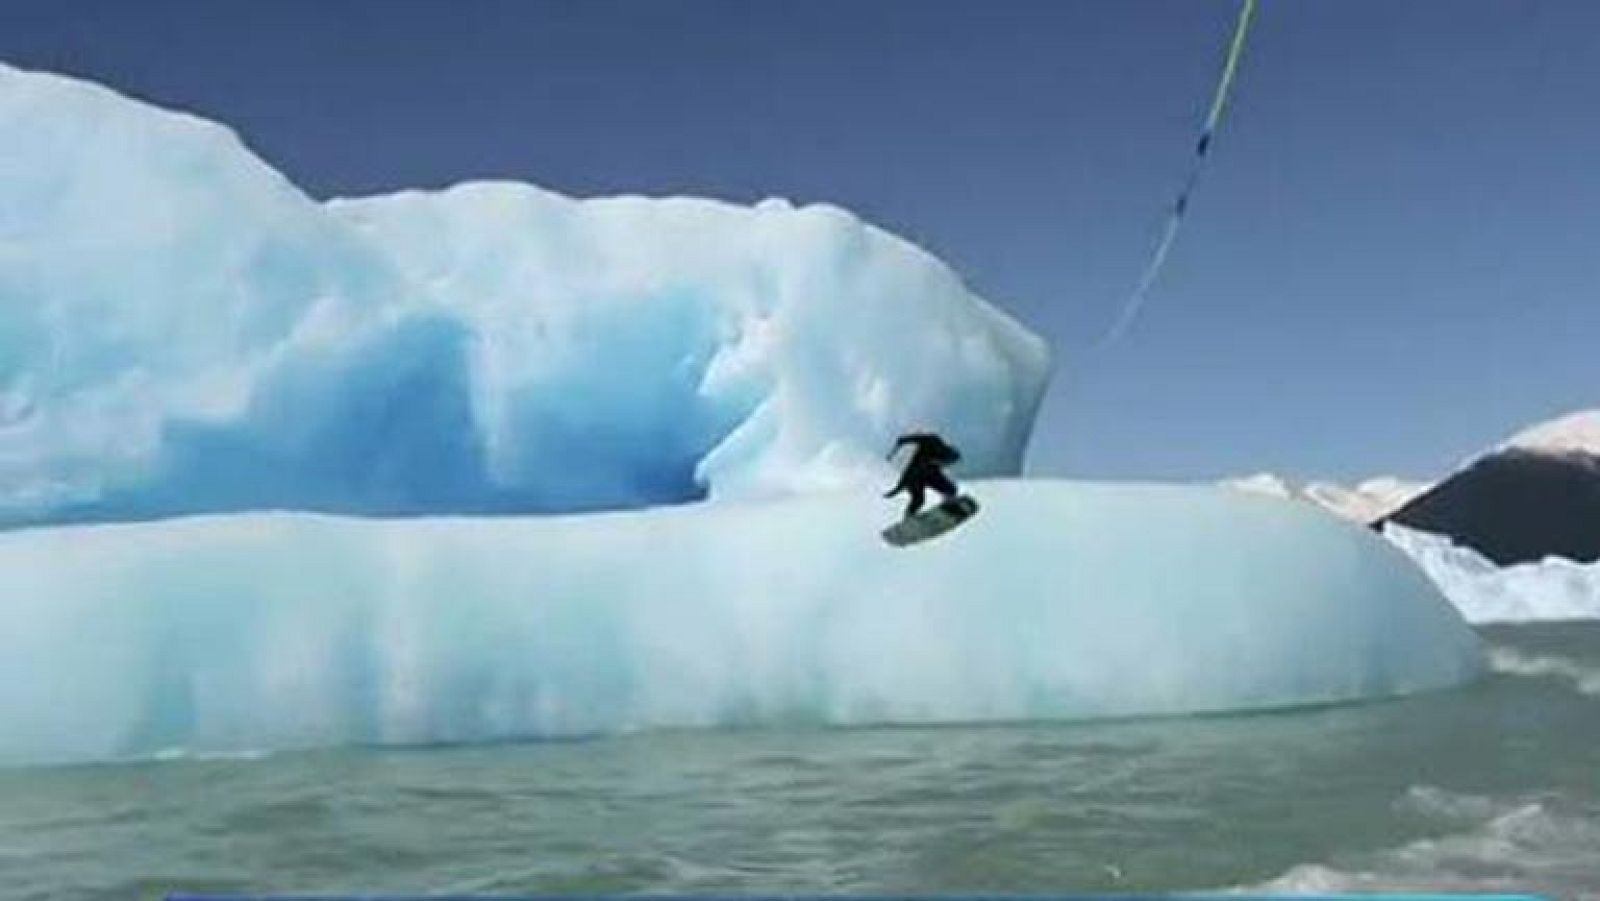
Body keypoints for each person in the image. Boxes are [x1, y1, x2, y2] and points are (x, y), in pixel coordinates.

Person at [884, 431, 962, 519]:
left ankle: (950, 506)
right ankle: (909, 517)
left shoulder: (936, 465)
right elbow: (920, 438)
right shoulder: (933, 441)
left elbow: (940, 479)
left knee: (951, 488)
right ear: (947, 453)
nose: (944, 464)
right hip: (913, 478)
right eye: (946, 462)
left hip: (929, 477)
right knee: (918, 499)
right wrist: (905, 439)